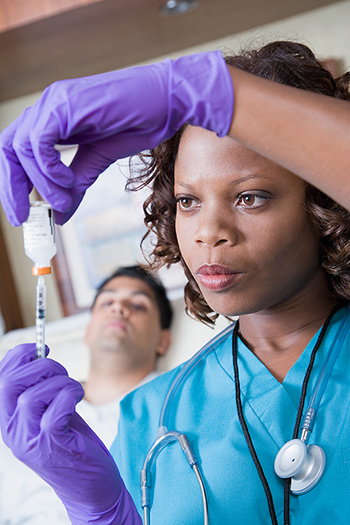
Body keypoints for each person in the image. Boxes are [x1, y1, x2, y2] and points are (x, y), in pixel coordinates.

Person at [0, 40, 350, 525]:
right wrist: (102, 512)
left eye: (250, 197)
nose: (208, 232)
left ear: (324, 206)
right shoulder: (148, 416)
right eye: (188, 202)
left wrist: (209, 91)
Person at [0, 265, 172, 524]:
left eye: (138, 305)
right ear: (89, 330)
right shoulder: (27, 404)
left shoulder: (172, 410)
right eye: (107, 302)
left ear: (163, 340)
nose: (118, 308)